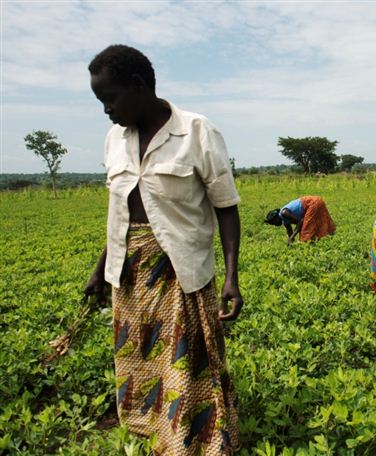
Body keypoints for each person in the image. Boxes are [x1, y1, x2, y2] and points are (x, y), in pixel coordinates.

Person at [83, 44, 241, 455]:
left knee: (187, 365)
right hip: (129, 273)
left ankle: (196, 443)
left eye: (110, 98)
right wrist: (100, 269)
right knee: (138, 363)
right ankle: (152, 439)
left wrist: (231, 278)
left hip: (180, 269)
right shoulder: (114, 139)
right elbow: (119, 211)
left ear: (138, 86)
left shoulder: (196, 131)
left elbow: (226, 207)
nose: (106, 110)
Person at [264, 195, 336, 244]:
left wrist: (292, 237)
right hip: (317, 201)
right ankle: (328, 239)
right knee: (316, 224)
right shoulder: (284, 220)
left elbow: (300, 222)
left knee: (305, 232)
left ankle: (308, 247)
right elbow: (289, 231)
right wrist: (290, 242)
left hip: (313, 203)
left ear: (276, 218)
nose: (275, 225)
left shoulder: (284, 213)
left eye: (274, 223)